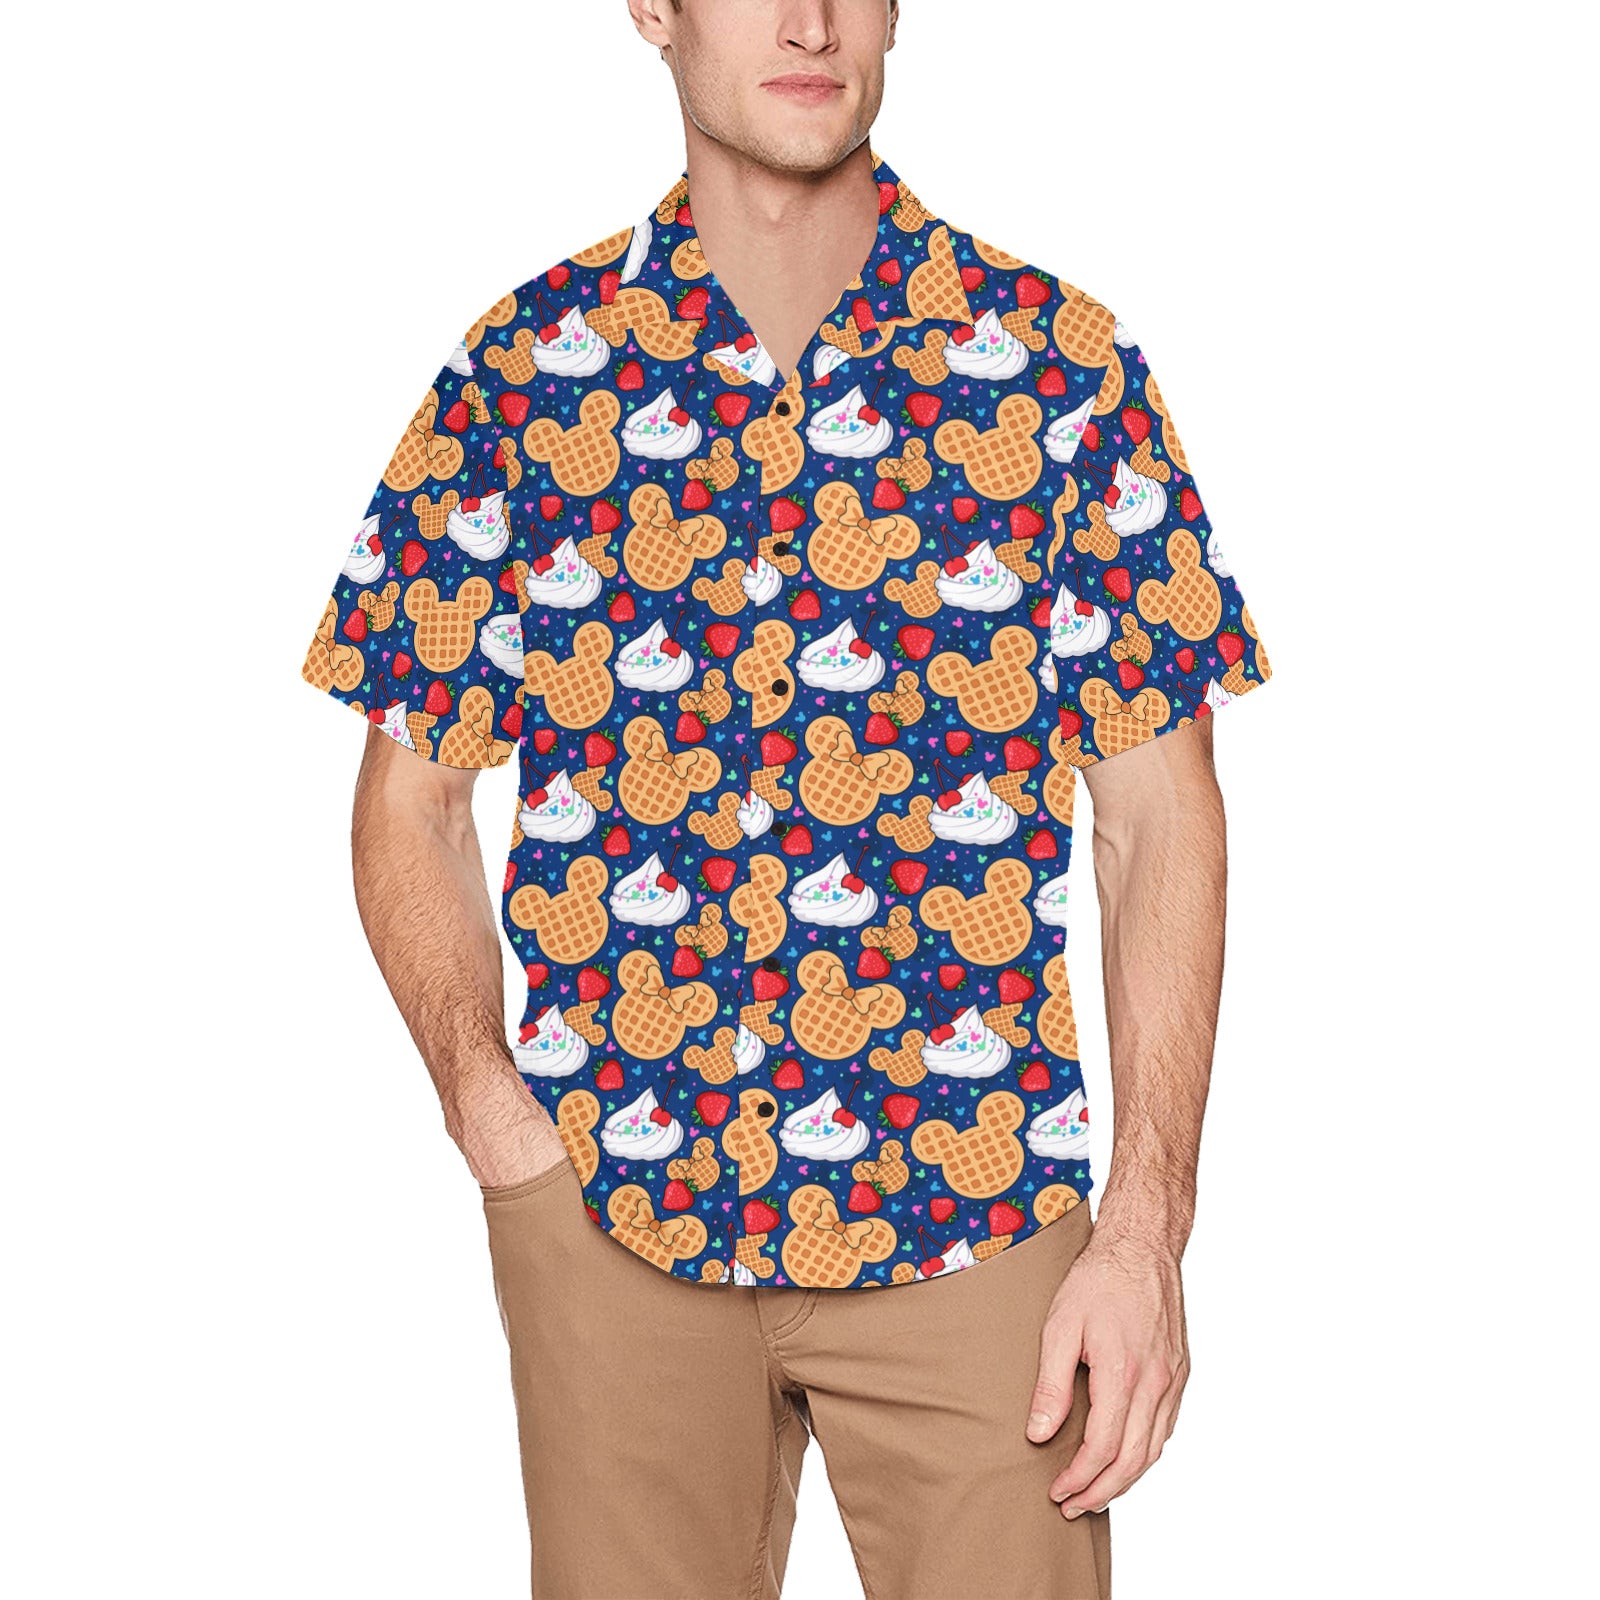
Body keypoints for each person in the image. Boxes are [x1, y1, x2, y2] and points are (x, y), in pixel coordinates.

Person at [299, 3, 1272, 1594]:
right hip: (612, 1210)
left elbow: (1162, 818)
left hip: (976, 1216)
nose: (809, 21)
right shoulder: (523, 376)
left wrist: (1146, 1230)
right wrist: (495, 1122)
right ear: (654, 7)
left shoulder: (1059, 367)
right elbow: (408, 804)